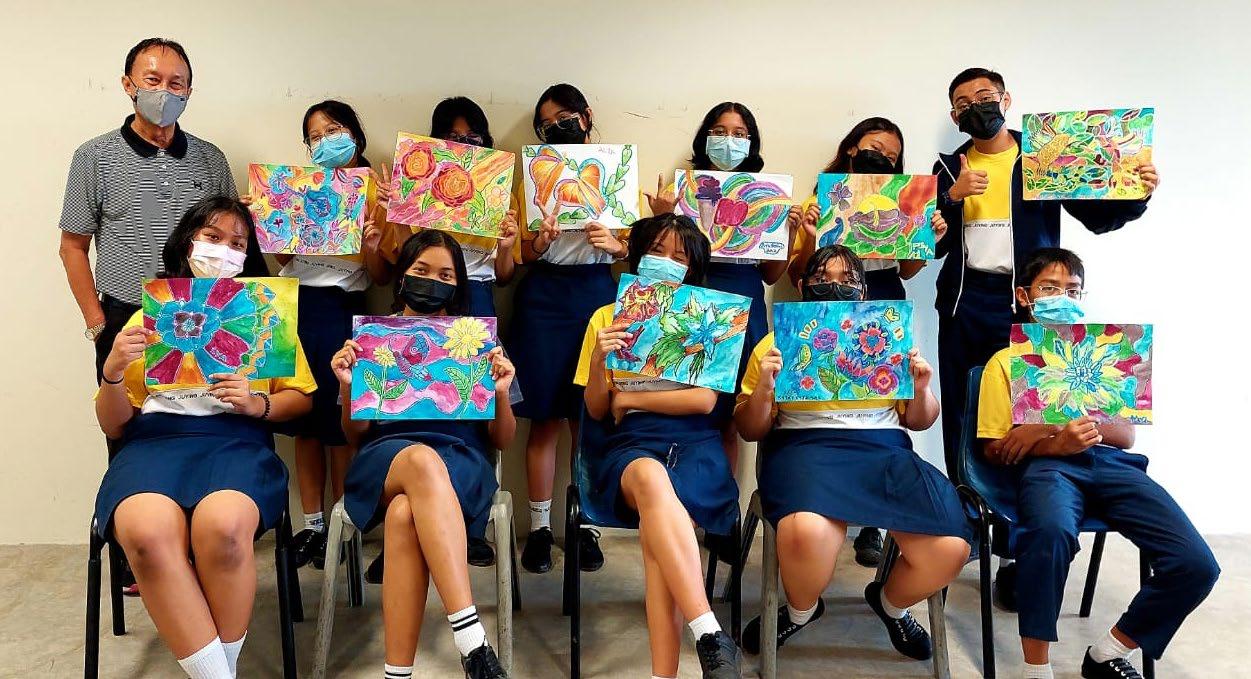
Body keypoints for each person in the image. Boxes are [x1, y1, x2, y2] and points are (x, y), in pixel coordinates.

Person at [933, 68, 1158, 604]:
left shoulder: (1044, 154)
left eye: (985, 96)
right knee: (965, 415)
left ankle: (1020, 546)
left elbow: (1098, 216)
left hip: (1032, 305)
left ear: (1006, 99)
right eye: (963, 102)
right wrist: (952, 198)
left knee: (1033, 416)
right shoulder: (945, 167)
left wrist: (1137, 193)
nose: (975, 106)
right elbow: (926, 242)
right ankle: (967, 526)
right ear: (954, 115)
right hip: (966, 304)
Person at [92, 196, 315, 678]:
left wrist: (257, 404)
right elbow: (113, 424)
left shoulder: (267, 314)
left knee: (225, 529)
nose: (224, 251)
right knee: (146, 536)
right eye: (213, 237)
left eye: (238, 243)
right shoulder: (148, 315)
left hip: (238, 443)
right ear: (187, 242)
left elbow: (301, 399)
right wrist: (112, 371)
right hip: (154, 443)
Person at [977, 247, 1217, 679]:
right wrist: (1055, 445)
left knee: (1196, 562)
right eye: (1049, 288)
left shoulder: (1108, 351)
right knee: (1049, 535)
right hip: (1048, 471)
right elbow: (996, 449)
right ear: (1024, 296)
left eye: (1072, 290)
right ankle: (1036, 668)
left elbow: (1124, 436)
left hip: (1112, 466)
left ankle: (1108, 651)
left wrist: (1044, 427)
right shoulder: (1005, 362)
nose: (1062, 297)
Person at [737, 244, 970, 662]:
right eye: (823, 278)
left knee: (950, 545)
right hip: (804, 449)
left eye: (847, 280)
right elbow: (750, 429)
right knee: (806, 533)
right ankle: (801, 611)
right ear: (803, 285)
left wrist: (921, 389)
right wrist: (765, 391)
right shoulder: (775, 344)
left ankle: (892, 604)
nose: (835, 286)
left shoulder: (891, 338)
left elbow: (920, 421)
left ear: (863, 290)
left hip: (885, 451)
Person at [333, 230, 515, 679]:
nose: (433, 281)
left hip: (462, 461)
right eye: (422, 270)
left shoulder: (480, 342)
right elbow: (354, 435)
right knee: (419, 460)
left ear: (459, 284)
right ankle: (472, 641)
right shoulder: (371, 339)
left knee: (403, 516)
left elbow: (503, 440)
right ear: (402, 276)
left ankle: (397, 674)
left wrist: (501, 393)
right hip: (385, 460)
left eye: (446, 275)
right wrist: (348, 387)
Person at [574, 213, 742, 679]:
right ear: (637, 254)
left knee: (661, 530)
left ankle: (664, 673)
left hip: (697, 445)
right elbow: (596, 410)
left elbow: (704, 401)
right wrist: (599, 360)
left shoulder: (712, 316)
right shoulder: (606, 316)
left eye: (680, 257)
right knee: (650, 480)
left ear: (693, 268)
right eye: (657, 251)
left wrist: (629, 398)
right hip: (631, 446)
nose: (667, 262)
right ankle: (709, 633)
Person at [785, 117, 949, 568]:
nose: (884, 158)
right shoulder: (822, 197)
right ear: (852, 148)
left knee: (884, 396)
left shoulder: (905, 201)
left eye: (893, 156)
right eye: (876, 147)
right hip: (826, 300)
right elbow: (799, 272)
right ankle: (822, 498)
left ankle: (875, 522)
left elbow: (907, 270)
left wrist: (926, 238)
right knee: (829, 388)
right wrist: (807, 233)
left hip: (882, 299)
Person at [60, 37, 236, 385]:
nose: (164, 92)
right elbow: (72, 247)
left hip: (201, 315)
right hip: (126, 316)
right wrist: (98, 324)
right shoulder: (94, 157)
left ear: (188, 92)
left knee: (199, 413)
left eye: (176, 84)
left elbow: (234, 241)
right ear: (129, 85)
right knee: (124, 414)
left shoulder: (211, 159)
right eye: (153, 80)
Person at [270, 100, 391, 571]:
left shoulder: (377, 188)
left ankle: (344, 527)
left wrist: (373, 240)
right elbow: (283, 261)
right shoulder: (295, 187)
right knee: (303, 423)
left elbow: (381, 275)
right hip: (295, 306)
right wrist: (270, 220)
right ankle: (314, 526)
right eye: (315, 137)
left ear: (355, 134)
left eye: (333, 130)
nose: (325, 142)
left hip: (344, 307)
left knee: (340, 426)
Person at [511, 83, 622, 574]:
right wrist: (539, 242)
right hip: (543, 297)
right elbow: (519, 254)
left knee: (588, 418)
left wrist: (618, 246)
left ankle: (586, 526)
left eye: (565, 118)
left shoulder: (616, 172)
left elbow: (637, 249)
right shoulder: (531, 173)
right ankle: (539, 529)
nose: (557, 128)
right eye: (547, 124)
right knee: (544, 418)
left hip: (597, 295)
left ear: (586, 115)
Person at [644, 102, 789, 475]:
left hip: (746, 296)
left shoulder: (766, 196)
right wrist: (662, 215)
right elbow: (661, 260)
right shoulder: (683, 190)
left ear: (751, 142)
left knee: (732, 413)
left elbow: (772, 275)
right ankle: (687, 494)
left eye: (739, 134)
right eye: (720, 132)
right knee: (696, 401)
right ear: (705, 137)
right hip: (696, 295)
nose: (729, 141)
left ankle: (724, 504)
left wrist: (785, 235)